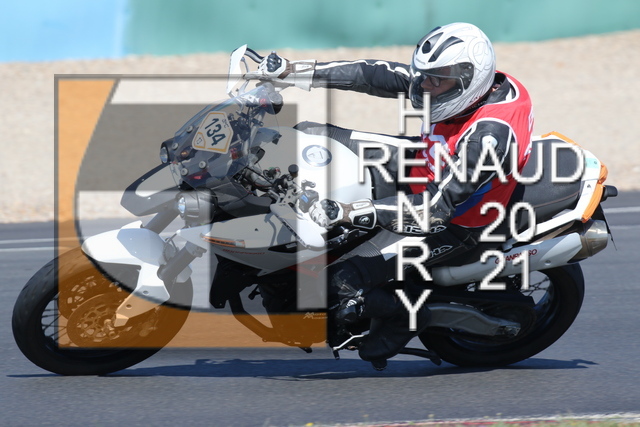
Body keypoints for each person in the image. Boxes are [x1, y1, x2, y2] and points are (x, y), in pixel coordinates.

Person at [245, 23, 534, 368]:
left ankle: (405, 315)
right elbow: (372, 74)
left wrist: (349, 211)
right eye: (424, 76)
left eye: (435, 80)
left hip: (451, 221)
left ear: (468, 83)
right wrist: (293, 71)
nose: (423, 85)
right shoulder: (463, 84)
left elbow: (435, 209)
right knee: (308, 135)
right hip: (425, 161)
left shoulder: (488, 140)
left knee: (338, 282)